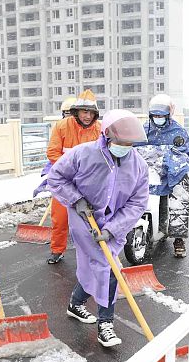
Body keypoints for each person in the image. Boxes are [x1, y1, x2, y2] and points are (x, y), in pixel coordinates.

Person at [46, 110, 149, 348]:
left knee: (99, 267)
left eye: (129, 144)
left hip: (115, 225)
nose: (125, 147)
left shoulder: (138, 166)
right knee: (108, 267)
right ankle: (106, 325)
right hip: (85, 219)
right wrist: (76, 199)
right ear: (107, 136)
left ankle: (75, 303)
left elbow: (137, 203)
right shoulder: (83, 154)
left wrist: (113, 229)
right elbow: (56, 177)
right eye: (121, 142)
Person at [45, 90, 102, 265]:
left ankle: (95, 253)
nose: (87, 116)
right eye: (84, 112)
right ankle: (57, 250)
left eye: (91, 112)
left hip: (90, 183)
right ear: (76, 111)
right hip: (65, 182)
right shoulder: (62, 126)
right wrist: (68, 172)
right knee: (60, 218)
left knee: (93, 219)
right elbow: (53, 152)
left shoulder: (100, 129)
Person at [142, 93, 189, 257]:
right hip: (151, 172)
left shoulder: (178, 131)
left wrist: (171, 159)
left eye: (161, 115)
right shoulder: (144, 130)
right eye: (155, 115)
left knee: (179, 200)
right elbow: (133, 149)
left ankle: (178, 238)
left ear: (168, 115)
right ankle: (151, 229)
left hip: (173, 172)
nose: (158, 118)